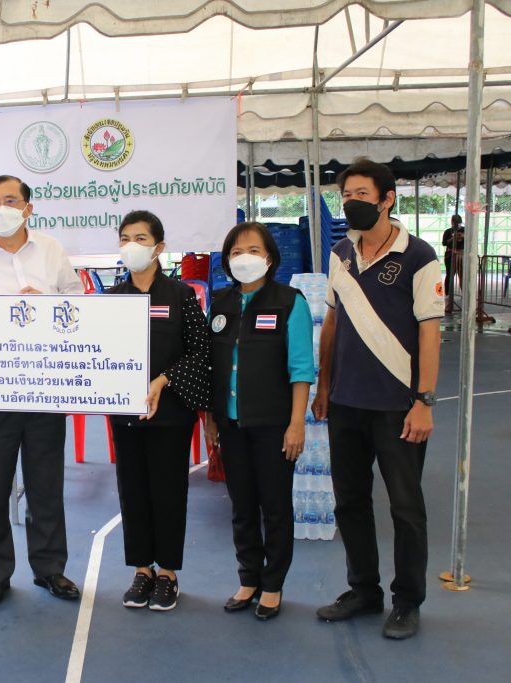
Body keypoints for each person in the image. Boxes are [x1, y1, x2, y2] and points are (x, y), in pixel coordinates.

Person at [313, 158, 443, 640]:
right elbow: (332, 322)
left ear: (387, 199)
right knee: (349, 501)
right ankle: (363, 590)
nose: (352, 203)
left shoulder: (420, 256)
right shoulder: (341, 253)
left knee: (406, 508)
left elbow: (430, 333)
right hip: (345, 402)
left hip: (397, 407)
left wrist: (424, 400)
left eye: (362, 194)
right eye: (347, 195)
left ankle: (407, 601)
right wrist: (324, 386)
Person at [0, 174, 84, 607]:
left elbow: (78, 307)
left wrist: (47, 305)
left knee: (46, 486)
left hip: (45, 389)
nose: (2, 209)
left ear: (28, 207)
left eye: (11, 200)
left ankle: (49, 569)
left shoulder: (51, 250)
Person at [203, 222, 315, 621]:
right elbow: (211, 365)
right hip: (230, 424)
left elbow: (301, 369)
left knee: (275, 507)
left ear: (269, 257)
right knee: (242, 506)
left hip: (274, 425)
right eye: (236, 252)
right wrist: (211, 419)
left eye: (252, 250)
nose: (243, 258)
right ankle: (248, 577)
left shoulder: (290, 302)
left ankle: (272, 584)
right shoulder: (220, 302)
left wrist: (296, 424)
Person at [106, 211, 211, 612]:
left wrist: (164, 379)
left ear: (159, 247)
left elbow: (201, 351)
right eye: (125, 238)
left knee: (168, 491)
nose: (131, 246)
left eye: (140, 238)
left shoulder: (180, 295)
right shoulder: (113, 298)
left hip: (171, 414)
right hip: (125, 415)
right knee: (132, 490)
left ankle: (167, 573)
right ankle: (141, 570)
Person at [441, 214, 464, 311]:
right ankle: (448, 296)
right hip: (450, 255)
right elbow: (444, 243)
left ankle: (465, 295)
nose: (456, 225)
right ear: (452, 222)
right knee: (450, 275)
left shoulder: (465, 230)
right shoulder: (448, 231)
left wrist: (462, 236)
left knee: (463, 275)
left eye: (458, 223)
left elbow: (470, 240)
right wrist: (453, 238)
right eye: (454, 223)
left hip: (462, 254)